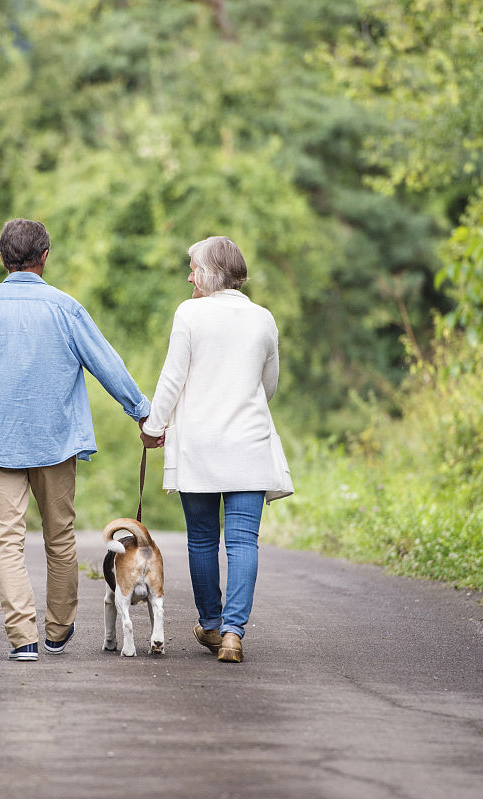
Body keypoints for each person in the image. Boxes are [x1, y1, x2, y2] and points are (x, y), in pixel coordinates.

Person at [0, 218, 152, 662]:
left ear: (3, 258)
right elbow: (105, 361)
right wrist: (141, 411)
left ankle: (22, 637)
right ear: (45, 258)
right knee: (59, 536)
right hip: (55, 440)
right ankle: (58, 631)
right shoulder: (66, 308)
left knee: (7, 539)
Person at [139, 236, 293, 664]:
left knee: (203, 540)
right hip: (248, 444)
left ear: (208, 271)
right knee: (243, 541)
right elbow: (270, 386)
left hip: (200, 447)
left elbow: (173, 378)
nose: (189, 276)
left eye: (192, 267)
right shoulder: (264, 319)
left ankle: (210, 624)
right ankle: (232, 633)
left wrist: (153, 427)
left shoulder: (190, 313)